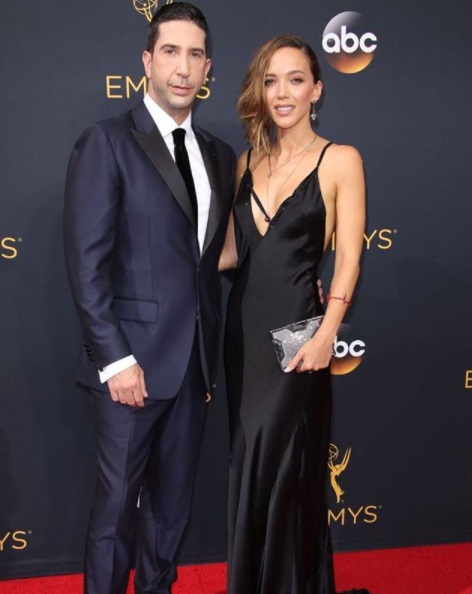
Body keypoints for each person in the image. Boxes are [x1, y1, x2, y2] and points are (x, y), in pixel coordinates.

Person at [63, 4, 235, 594]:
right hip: (129, 368)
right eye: (170, 52)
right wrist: (115, 360)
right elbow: (86, 263)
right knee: (116, 512)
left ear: (207, 67)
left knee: (170, 511)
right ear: (147, 60)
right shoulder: (108, 141)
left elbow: (211, 257)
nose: (182, 68)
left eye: (195, 54)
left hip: (193, 367)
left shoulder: (218, 153)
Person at [219, 35, 368, 593]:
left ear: (317, 90)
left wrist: (328, 333)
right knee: (249, 465)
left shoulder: (340, 160)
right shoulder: (246, 162)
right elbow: (229, 255)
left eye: (296, 79)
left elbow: (349, 258)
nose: (282, 92)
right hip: (243, 336)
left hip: (299, 335)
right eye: (271, 81)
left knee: (286, 468)